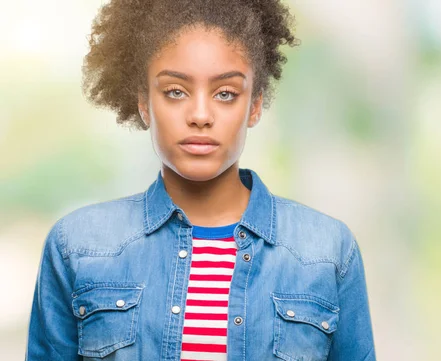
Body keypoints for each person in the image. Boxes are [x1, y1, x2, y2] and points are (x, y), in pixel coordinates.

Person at [25, 0, 376, 360]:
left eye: (225, 94)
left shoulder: (326, 252)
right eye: (175, 91)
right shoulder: (78, 247)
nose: (200, 115)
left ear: (255, 105)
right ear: (144, 103)